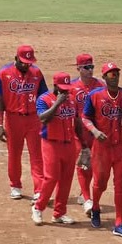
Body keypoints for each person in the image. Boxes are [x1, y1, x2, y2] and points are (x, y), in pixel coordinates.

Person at [81, 62, 122, 237]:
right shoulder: (94, 95)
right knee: (100, 183)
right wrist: (95, 131)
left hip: (121, 147)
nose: (115, 77)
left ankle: (119, 222)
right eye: (111, 75)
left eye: (117, 74)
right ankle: (95, 207)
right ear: (104, 77)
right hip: (102, 148)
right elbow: (85, 118)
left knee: (121, 186)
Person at [0, 44, 47, 201]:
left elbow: (43, 97)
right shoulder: (3, 73)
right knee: (14, 154)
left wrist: (45, 120)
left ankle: (39, 189)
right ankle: (15, 186)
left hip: (33, 119)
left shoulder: (36, 73)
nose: (26, 65)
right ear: (16, 58)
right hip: (13, 119)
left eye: (29, 63)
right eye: (23, 62)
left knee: (37, 154)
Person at [31, 72, 82, 225]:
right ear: (54, 86)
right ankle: (38, 207)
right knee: (51, 178)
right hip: (51, 143)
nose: (66, 92)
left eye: (67, 89)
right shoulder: (44, 99)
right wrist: (57, 103)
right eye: (62, 89)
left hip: (69, 143)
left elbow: (77, 122)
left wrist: (84, 145)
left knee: (66, 180)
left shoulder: (72, 100)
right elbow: (43, 118)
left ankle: (59, 213)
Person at [70, 53, 104, 216]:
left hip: (95, 132)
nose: (90, 70)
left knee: (94, 165)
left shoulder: (100, 85)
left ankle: (84, 194)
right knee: (83, 163)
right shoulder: (71, 87)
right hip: (78, 132)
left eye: (91, 67)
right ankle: (87, 199)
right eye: (86, 67)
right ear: (78, 68)